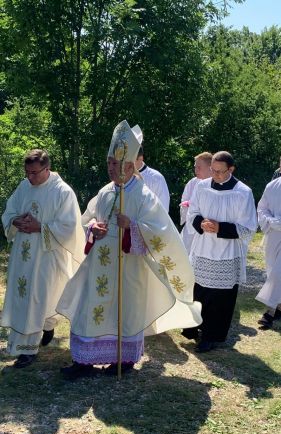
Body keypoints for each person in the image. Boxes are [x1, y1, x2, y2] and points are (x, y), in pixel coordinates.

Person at [57, 120, 202, 380]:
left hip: (129, 266)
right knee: (89, 308)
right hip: (99, 267)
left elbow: (161, 231)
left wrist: (133, 227)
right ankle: (84, 361)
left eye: (116, 164)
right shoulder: (104, 192)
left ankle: (120, 360)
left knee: (124, 313)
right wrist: (94, 229)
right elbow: (86, 220)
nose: (111, 169)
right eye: (109, 163)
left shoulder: (144, 195)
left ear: (131, 165)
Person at [1, 149, 85, 368]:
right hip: (22, 255)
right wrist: (16, 221)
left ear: (47, 169)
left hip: (46, 256)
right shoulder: (23, 187)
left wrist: (40, 226)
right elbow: (8, 212)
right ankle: (34, 338)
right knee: (26, 298)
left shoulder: (62, 191)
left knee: (39, 298)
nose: (30, 177)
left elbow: (69, 226)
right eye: (27, 172)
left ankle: (30, 347)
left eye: (35, 173)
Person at [182, 151, 257, 352]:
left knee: (220, 297)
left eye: (219, 172)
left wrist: (220, 227)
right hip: (203, 248)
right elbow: (192, 212)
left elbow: (248, 226)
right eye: (213, 171)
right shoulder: (202, 186)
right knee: (199, 291)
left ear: (231, 169)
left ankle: (211, 336)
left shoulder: (243, 192)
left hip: (226, 251)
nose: (214, 175)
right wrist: (201, 223)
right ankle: (193, 328)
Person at [256, 177, 281, 329]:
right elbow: (262, 208)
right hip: (274, 234)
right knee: (272, 269)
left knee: (278, 272)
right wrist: (271, 221)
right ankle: (278, 307)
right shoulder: (272, 185)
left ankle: (269, 313)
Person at [180, 152, 212, 254]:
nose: (196, 170)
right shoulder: (193, 182)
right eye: (195, 167)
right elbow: (184, 200)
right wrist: (187, 205)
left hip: (209, 228)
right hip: (191, 226)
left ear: (210, 167)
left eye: (199, 167)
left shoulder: (217, 184)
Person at [134, 144, 170, 211]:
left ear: (140, 158)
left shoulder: (156, 178)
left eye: (130, 160)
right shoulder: (120, 178)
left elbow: (163, 210)